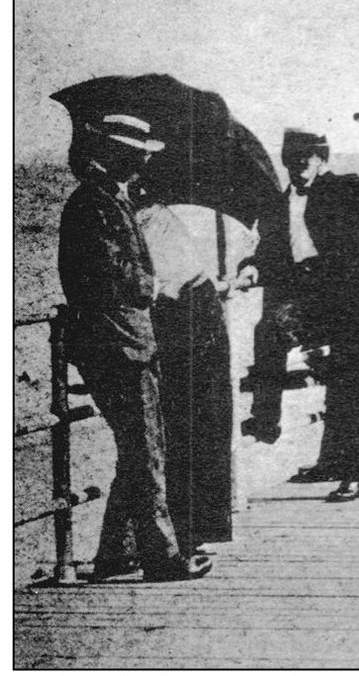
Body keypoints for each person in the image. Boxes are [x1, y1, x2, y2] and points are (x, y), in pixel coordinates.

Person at [58, 114, 210, 582]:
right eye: (139, 151)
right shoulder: (94, 202)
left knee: (138, 449)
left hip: (121, 341)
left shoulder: (104, 199)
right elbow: (108, 271)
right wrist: (155, 283)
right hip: (117, 343)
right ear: (119, 154)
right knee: (145, 452)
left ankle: (114, 554)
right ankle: (161, 557)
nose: (146, 159)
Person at [238, 129, 359, 502]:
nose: (298, 170)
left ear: (321, 160)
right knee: (268, 331)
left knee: (353, 384)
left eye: (305, 162)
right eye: (291, 163)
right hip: (312, 300)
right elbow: (269, 250)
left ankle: (353, 472)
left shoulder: (345, 187)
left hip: (354, 300)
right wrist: (250, 268)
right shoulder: (279, 202)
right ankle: (267, 421)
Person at [136, 198, 237, 559]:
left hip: (189, 318)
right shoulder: (155, 216)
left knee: (189, 427)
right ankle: (188, 529)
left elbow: (160, 284)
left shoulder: (151, 219)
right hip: (194, 313)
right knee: (195, 427)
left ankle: (186, 531)